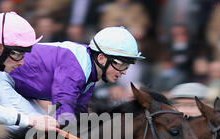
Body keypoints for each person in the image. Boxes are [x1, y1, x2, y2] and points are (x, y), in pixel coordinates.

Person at [9, 26, 145, 125]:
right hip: (3, 78)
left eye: (127, 65)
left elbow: (79, 113)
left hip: (20, 90)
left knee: (43, 127)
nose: (124, 71)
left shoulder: (90, 73)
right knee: (36, 129)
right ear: (102, 58)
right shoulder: (75, 67)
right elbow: (64, 113)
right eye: (121, 64)